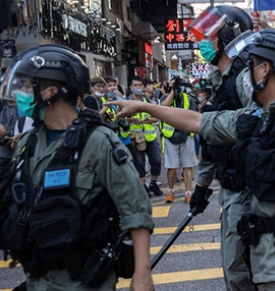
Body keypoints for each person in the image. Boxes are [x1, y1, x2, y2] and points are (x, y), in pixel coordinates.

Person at [108, 28, 275, 291]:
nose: (244, 76)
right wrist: (145, 107)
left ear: (264, 70)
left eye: (249, 66)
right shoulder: (258, 119)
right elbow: (197, 121)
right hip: (269, 260)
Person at [0, 45, 154, 291]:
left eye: (28, 87)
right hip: (39, 279)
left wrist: (142, 274)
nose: (21, 94)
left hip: (84, 280)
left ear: (50, 92)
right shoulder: (29, 142)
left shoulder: (98, 141)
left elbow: (135, 208)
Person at [195, 5, 257, 291]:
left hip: (250, 189)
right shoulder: (218, 82)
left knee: (240, 267)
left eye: (211, 36)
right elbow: (212, 139)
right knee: (232, 266)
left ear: (229, 36)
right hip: (230, 187)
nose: (204, 43)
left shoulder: (245, 78)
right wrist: (201, 186)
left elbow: (261, 125)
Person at [160, 77, 198, 204]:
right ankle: (170, 191)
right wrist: (172, 91)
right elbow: (163, 108)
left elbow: (193, 116)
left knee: (188, 166)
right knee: (172, 167)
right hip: (170, 136)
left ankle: (188, 192)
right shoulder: (164, 98)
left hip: (186, 135)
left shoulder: (188, 99)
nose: (178, 88)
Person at [127, 76, 163, 196]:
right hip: (135, 137)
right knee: (139, 163)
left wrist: (149, 120)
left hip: (150, 137)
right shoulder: (126, 102)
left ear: (143, 87)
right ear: (130, 87)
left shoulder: (147, 101)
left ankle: (153, 183)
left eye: (140, 85)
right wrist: (132, 120)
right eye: (135, 85)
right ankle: (143, 187)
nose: (138, 88)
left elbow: (156, 117)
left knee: (156, 161)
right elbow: (120, 118)